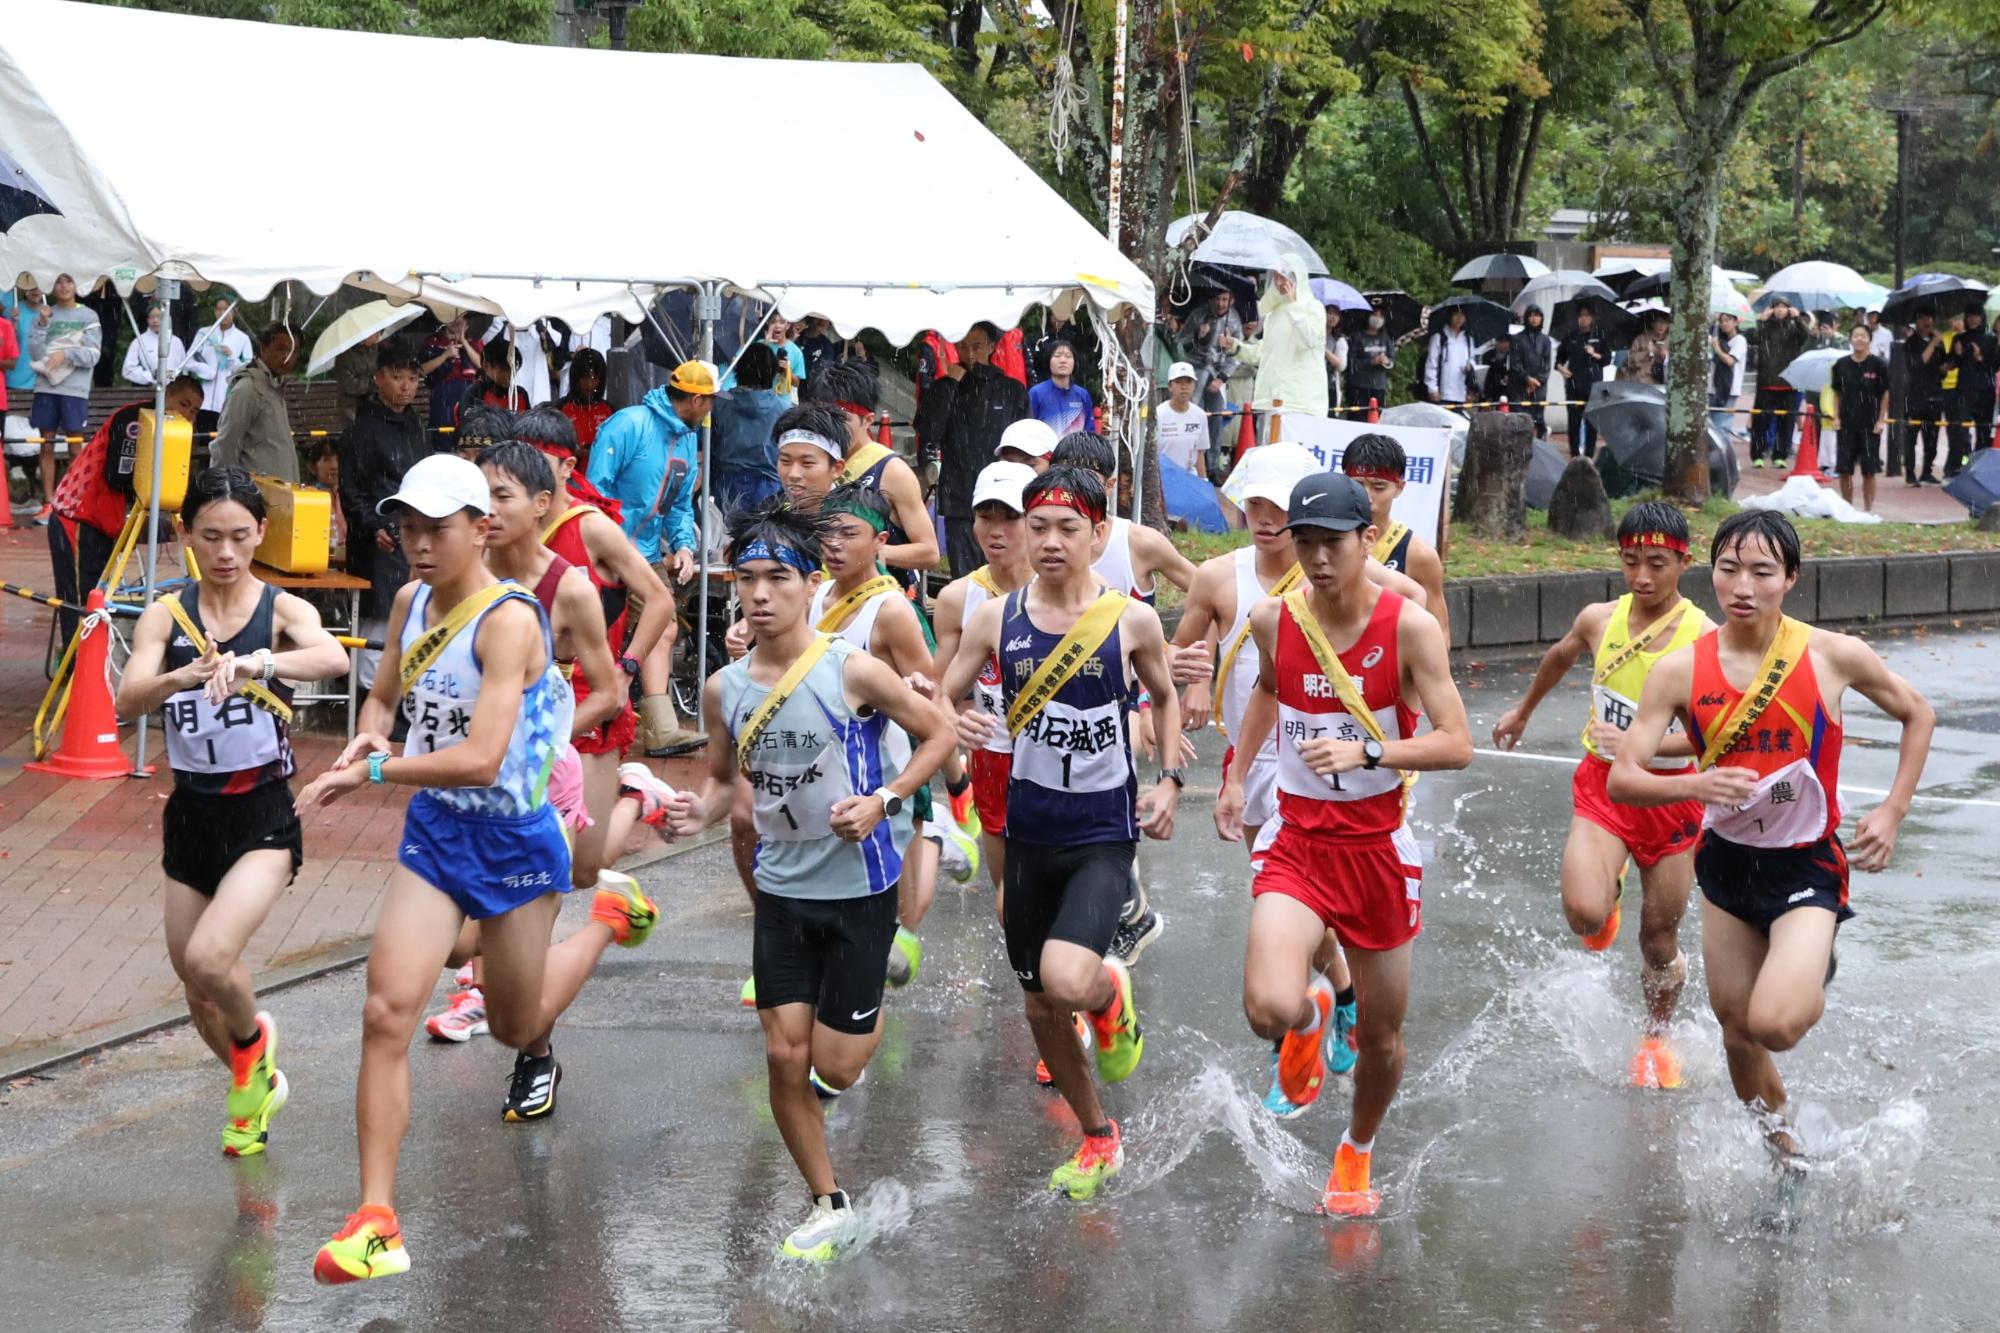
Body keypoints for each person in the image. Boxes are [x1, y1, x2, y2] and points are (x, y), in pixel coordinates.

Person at [299, 453, 574, 1283]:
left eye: (436, 528)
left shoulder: (510, 622)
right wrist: (372, 733)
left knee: (516, 1027)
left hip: (518, 842)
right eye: (406, 528)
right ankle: (376, 1220)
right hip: (437, 834)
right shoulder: (412, 599)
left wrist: (374, 774)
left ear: (481, 530)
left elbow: (485, 757)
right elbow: (385, 694)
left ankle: (603, 921)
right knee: (385, 1012)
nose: (416, 544)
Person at [1609, 510, 1933, 1190]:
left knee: (1775, 1022)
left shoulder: (1830, 655)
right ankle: (1784, 1148)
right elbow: (1624, 775)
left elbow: (1917, 712)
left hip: (1805, 867)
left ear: (1791, 578)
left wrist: (1893, 810)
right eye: (1729, 568)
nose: (1743, 585)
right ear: (1713, 574)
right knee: (1736, 1031)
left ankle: (1815, 961)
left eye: (1762, 571)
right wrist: (1696, 781)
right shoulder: (1677, 671)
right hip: (1726, 865)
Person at [663, 500, 952, 1262]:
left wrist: (885, 799)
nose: (759, 595)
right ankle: (829, 1202)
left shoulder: (850, 668)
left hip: (859, 890)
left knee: (836, 1063)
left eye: (777, 579)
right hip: (783, 892)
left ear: (809, 583)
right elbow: (727, 783)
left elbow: (939, 734)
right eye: (747, 580)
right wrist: (695, 812)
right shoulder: (726, 688)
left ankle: (866, 1008)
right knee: (785, 1059)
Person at [1217, 471, 1472, 1216]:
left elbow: (1457, 743)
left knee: (1385, 1041)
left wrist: (1370, 754)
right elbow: (1268, 688)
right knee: (1267, 1005)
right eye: (1306, 542)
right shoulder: (1274, 618)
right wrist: (1237, 774)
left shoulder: (1409, 628)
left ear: (1368, 539)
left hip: (1378, 850)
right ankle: (1310, 1014)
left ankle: (1357, 1147)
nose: (1319, 558)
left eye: (1334, 541)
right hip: (1298, 839)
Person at [939, 464, 1183, 1201]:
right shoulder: (993, 619)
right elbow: (940, 700)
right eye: (1036, 525)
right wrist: (956, 721)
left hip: (1102, 836)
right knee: (1040, 1007)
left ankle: (1109, 993)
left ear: (1098, 533)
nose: (1047, 540)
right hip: (1027, 834)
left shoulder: (1131, 621)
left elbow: (1166, 698)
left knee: (1067, 980)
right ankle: (1098, 1133)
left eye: (1067, 527)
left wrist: (1169, 778)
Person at [116, 467, 348, 1159]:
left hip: (262, 815)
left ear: (261, 534)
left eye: (240, 536)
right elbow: (128, 700)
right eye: (210, 536)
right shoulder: (166, 612)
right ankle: (257, 1086)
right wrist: (178, 677)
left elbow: (333, 656)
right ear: (186, 534)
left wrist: (258, 664)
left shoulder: (275, 607)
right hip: (191, 814)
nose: (225, 551)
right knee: (196, 990)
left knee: (212, 958)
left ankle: (253, 1048)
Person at [421, 442, 662, 1061]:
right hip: (467, 779)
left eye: (503, 496)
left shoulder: (569, 585)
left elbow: (609, 692)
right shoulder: (450, 574)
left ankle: (529, 1044)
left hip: (542, 782)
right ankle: (507, 989)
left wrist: (538, 739)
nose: (490, 510)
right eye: (482, 497)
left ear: (542, 503)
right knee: (452, 942)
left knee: (533, 920)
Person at [1491, 502, 1712, 1085]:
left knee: (1659, 942)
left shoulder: (1705, 639)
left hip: (1672, 799)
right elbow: (1560, 656)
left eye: (1657, 564)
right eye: (1631, 561)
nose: (1642, 577)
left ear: (1683, 563)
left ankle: (1656, 1039)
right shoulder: (1598, 619)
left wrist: (1645, 743)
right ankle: (1603, 902)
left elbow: (1714, 732)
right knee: (1586, 916)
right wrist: (1522, 710)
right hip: (1604, 786)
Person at [809, 482, 975, 988]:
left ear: (880, 541)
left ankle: (939, 836)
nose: (834, 543)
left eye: (848, 533)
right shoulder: (815, 593)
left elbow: (932, 699)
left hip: (895, 763)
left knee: (903, 917)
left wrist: (953, 776)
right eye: (826, 532)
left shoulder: (893, 612)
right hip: (831, 765)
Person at [508, 405, 674, 902]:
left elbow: (661, 600)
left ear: (568, 467)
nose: (530, 474)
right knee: (542, 854)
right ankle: (497, 974)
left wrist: (627, 670)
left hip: (591, 703)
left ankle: (636, 796)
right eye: (521, 463)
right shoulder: (505, 534)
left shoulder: (592, 527)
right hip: (529, 706)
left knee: (585, 867)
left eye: (545, 461)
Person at [589, 358, 711, 755]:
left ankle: (658, 726)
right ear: (695, 400)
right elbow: (596, 487)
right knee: (598, 633)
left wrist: (683, 545)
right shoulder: (629, 424)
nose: (711, 410)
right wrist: (603, 544)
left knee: (665, 627)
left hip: (644, 553)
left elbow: (679, 506)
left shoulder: (689, 439)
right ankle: (615, 718)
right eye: (709, 402)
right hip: (609, 549)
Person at [929, 460, 1039, 894]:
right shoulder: (958, 599)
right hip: (993, 756)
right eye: (985, 516)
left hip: (1063, 754)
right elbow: (943, 695)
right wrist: (957, 720)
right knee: (1009, 899)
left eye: (1010, 517)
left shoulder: (1077, 590)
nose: (996, 530)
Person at [46, 376, 203, 646]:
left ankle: (91, 658)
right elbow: (118, 475)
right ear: (166, 397)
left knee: (99, 592)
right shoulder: (135, 419)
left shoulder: (170, 429)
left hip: (104, 517)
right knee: (83, 599)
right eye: (183, 404)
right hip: (78, 515)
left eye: (193, 410)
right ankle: (76, 667)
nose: (186, 414)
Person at [338, 339, 431, 691]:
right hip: (378, 539)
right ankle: (370, 695)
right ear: (378, 378)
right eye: (397, 377)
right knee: (379, 622)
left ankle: (400, 695)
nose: (406, 386)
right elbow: (352, 491)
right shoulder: (361, 429)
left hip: (413, 531)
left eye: (412, 378)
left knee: (412, 616)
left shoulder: (415, 425)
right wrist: (375, 525)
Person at [809, 359, 941, 593]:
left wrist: (871, 552)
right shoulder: (816, 464)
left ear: (868, 420)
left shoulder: (891, 470)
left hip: (885, 600)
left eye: (841, 419)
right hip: (828, 597)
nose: (831, 427)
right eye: (825, 417)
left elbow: (930, 551)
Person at [917, 321, 1031, 577]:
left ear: (991, 347)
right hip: (959, 495)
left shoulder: (1012, 390)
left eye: (977, 347)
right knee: (966, 578)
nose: (970, 354)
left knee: (1007, 573)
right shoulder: (946, 388)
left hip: (1004, 496)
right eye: (963, 346)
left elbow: (1026, 446)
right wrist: (949, 382)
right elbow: (928, 431)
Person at [1340, 432, 1450, 644]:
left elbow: (1439, 634)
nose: (1367, 496)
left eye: (1379, 486)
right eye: (1358, 484)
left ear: (1399, 488)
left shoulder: (1419, 554)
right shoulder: (1320, 540)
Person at [25, 274, 103, 523]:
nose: (64, 286)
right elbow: (35, 353)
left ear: (77, 285)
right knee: (45, 444)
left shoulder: (88, 316)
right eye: (59, 282)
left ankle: (73, 500)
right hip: (46, 388)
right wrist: (42, 324)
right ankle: (48, 502)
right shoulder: (46, 313)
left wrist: (66, 354)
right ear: (53, 286)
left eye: (68, 281)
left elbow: (93, 355)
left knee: (74, 446)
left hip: (74, 391)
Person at [1229, 255, 1329, 419]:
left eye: (1284, 276)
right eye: (1276, 276)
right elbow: (1264, 354)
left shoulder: (1313, 307)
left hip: (1301, 402)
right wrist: (1234, 347)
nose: (1280, 282)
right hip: (1272, 400)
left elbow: (1307, 342)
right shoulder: (1274, 313)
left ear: (1297, 277)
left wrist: (1293, 306)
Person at [212, 323, 304, 481]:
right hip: (254, 494)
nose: (288, 356)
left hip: (278, 493)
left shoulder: (273, 386)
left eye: (294, 351)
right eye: (282, 349)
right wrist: (223, 492)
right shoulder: (248, 389)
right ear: (264, 348)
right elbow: (225, 445)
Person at [710, 342, 788, 513]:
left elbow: (709, 446)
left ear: (739, 370)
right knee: (763, 537)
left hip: (727, 484)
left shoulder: (719, 403)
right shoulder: (784, 409)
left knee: (727, 537)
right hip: (770, 487)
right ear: (771, 372)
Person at [1828, 325, 1890, 513]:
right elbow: (1837, 393)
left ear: (1869, 339)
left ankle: (1868, 510)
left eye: (1863, 336)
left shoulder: (1879, 365)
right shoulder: (1841, 365)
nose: (1859, 339)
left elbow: (1885, 394)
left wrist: (1881, 420)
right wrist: (1836, 416)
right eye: (1856, 336)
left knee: (1869, 470)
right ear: (1850, 339)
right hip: (1846, 424)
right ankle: (1847, 508)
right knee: (1845, 470)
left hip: (1870, 426)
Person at [1189, 290, 1246, 469]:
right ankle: (1190, 463)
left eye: (1225, 300)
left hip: (1217, 374)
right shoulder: (1199, 314)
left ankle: (1212, 467)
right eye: (1218, 299)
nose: (1221, 304)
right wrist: (1198, 336)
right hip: (1196, 370)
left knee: (1216, 419)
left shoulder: (1235, 320)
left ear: (1231, 300)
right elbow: (1181, 342)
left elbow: (1237, 354)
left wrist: (1222, 378)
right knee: (1193, 417)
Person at [1751, 300, 1810, 468]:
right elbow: (1755, 338)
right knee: (1761, 421)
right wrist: (1761, 320)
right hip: (1766, 382)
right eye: (1777, 306)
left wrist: (1798, 319)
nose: (1780, 310)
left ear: (1788, 309)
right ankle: (1758, 454)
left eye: (1784, 307)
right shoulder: (1765, 327)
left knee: (1787, 422)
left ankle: (1780, 455)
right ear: (1772, 309)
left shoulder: (1794, 328)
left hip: (1788, 382)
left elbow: (1806, 336)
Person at [1945, 307, 1993, 478]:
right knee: (1960, 432)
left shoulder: (1990, 339)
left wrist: (1980, 357)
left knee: (1984, 432)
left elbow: (1994, 365)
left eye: (1976, 316)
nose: (1973, 319)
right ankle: (1961, 464)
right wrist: (1958, 355)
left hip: (1985, 392)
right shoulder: (1960, 338)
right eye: (1970, 316)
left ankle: (1979, 467)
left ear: (1982, 318)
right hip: (1963, 391)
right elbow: (1951, 364)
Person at [421, 316, 483, 444]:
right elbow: (422, 370)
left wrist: (463, 341)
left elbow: (481, 365)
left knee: (469, 438)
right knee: (444, 438)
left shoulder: (474, 342)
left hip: (469, 396)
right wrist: (445, 356)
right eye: (452, 317)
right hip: (443, 396)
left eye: (460, 318)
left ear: (466, 322)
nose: (456, 321)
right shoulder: (433, 341)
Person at [1558, 306, 1608, 457]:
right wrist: (1562, 369)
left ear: (1592, 318)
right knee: (1573, 423)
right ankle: (1574, 455)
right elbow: (1559, 360)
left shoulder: (1600, 336)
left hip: (1593, 386)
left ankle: (1589, 456)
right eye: (1581, 315)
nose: (1584, 318)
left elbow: (1607, 359)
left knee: (1591, 423)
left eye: (1587, 315)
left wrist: (1594, 354)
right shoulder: (1571, 337)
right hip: (1574, 386)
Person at [195, 299, 256, 415]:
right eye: (219, 309)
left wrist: (232, 357)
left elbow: (249, 369)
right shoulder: (204, 333)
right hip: (202, 399)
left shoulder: (242, 338)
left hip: (226, 399)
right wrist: (205, 371)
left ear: (235, 312)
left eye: (226, 309)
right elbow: (190, 359)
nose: (222, 313)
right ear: (214, 311)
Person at [122, 302, 205, 388]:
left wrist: (168, 376)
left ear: (166, 318)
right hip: (147, 391)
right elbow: (127, 371)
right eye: (151, 317)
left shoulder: (176, 341)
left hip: (174, 391)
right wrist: (150, 376)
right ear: (147, 320)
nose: (155, 320)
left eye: (159, 317)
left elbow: (184, 369)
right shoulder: (138, 342)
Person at [1027, 339, 1096, 437]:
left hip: (1076, 451)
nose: (1063, 360)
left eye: (1068, 356)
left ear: (1074, 363)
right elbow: (1028, 430)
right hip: (1046, 451)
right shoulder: (1036, 393)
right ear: (1049, 361)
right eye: (1057, 356)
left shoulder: (1082, 395)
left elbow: (1090, 433)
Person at [558, 347, 612, 464]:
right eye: (584, 378)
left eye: (594, 378)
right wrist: (572, 451)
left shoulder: (610, 411)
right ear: (576, 379)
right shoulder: (560, 410)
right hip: (570, 476)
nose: (589, 384)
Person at [1156, 362, 1209, 478]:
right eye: (1179, 382)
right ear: (1170, 386)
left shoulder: (1200, 415)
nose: (1184, 386)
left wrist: (1203, 481)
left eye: (1188, 382)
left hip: (1189, 478)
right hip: (1163, 478)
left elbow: (1200, 453)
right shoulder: (1158, 414)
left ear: (1194, 386)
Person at [1510, 305, 1555, 438]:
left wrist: (1536, 382)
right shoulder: (1517, 339)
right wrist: (1527, 379)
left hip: (1539, 388)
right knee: (1521, 423)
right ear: (1526, 317)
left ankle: (1541, 443)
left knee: (1538, 420)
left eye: (1538, 315)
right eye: (1532, 315)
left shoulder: (1545, 340)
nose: (1534, 318)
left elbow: (1547, 365)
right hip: (1519, 388)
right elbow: (1514, 364)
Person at [1345, 308, 1396, 424]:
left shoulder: (1386, 338)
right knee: (1358, 419)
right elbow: (1350, 362)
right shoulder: (1357, 337)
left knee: (1377, 419)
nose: (1377, 319)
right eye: (1374, 315)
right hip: (1359, 386)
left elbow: (1392, 360)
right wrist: (1371, 362)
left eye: (1380, 316)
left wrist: (1386, 361)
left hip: (1379, 387)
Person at [1422, 307, 1474, 408]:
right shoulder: (1439, 338)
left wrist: (1470, 367)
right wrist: (1432, 388)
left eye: (1462, 315)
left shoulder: (1468, 340)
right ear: (1450, 316)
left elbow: (1472, 360)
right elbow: (1431, 364)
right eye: (1456, 314)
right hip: (1442, 393)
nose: (1459, 318)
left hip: (1461, 392)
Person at [1709, 312, 1748, 443]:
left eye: (1728, 320)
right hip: (1714, 387)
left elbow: (1730, 361)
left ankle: (1724, 458)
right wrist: (1712, 322)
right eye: (1722, 321)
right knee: (1711, 427)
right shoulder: (1720, 339)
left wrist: (1717, 348)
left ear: (1735, 322)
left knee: (1721, 426)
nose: (1724, 324)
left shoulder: (1739, 340)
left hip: (1729, 389)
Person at [1622, 311, 1671, 388]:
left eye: (1665, 323)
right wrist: (1647, 353)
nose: (1661, 326)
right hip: (1641, 381)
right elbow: (1629, 361)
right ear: (1652, 323)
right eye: (1658, 322)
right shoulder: (1640, 339)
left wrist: (1665, 357)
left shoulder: (1672, 341)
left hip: (1663, 383)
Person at [1323, 305, 1348, 415]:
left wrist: (1324, 350)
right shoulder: (1313, 333)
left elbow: (1341, 365)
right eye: (1330, 313)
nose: (1332, 317)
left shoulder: (1339, 340)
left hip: (1329, 386)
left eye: (1336, 315)